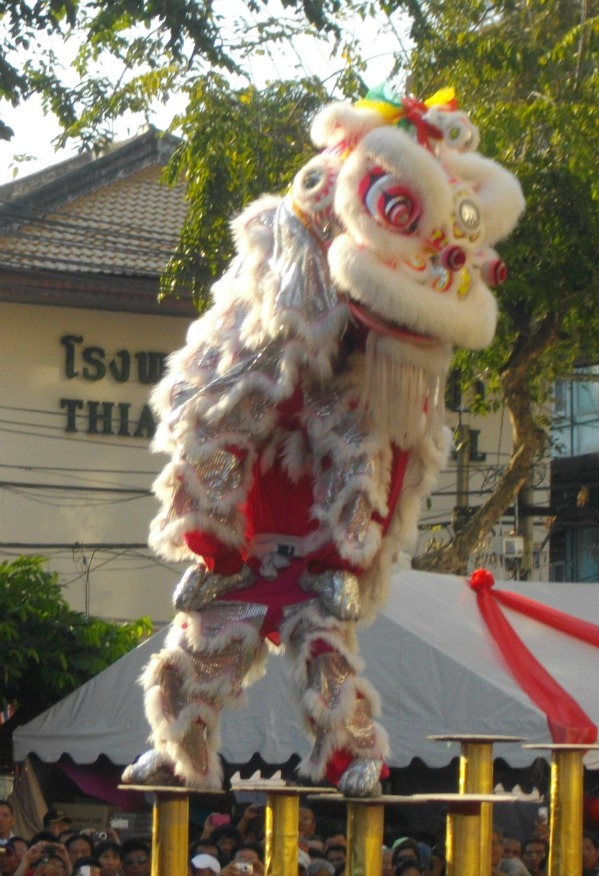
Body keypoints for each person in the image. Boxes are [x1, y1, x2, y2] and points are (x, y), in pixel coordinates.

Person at [121, 85, 524, 799]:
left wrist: (346, 557)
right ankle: (180, 750)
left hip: (316, 546)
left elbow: (383, 458)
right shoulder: (279, 281)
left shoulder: (373, 368)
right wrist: (216, 547)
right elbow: (213, 423)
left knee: (326, 647)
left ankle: (355, 756)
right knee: (201, 646)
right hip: (250, 531)